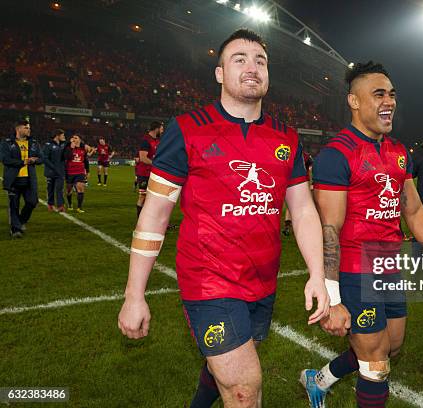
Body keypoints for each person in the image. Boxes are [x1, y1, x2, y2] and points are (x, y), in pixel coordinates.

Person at [117, 29, 329, 408]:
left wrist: (317, 273)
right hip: (208, 281)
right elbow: (154, 214)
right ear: (219, 74)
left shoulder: (288, 138)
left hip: (262, 282)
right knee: (244, 390)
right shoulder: (186, 130)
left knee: (225, 369)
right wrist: (135, 295)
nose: (252, 67)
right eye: (240, 59)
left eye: (260, 61)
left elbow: (302, 209)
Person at [300, 61, 423, 408]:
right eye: (378, 94)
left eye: (391, 94)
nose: (388, 100)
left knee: (390, 346)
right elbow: (329, 229)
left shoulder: (399, 152)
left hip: (388, 267)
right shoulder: (337, 155)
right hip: (355, 271)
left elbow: (415, 212)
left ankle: (320, 380)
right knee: (376, 363)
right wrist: (332, 296)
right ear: (354, 101)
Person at [1, 118, 42, 238]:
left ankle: (20, 221)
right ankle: (15, 230)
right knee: (14, 205)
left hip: (29, 179)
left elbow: (42, 157)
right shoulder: (7, 142)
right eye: (26, 128)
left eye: (29, 128)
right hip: (13, 179)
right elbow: (5, 160)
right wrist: (23, 162)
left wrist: (36, 160)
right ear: (18, 129)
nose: (29, 130)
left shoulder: (34, 143)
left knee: (32, 202)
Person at [135, 121, 163, 220]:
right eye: (161, 128)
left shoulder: (157, 141)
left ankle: (154, 221)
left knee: (155, 198)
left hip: (154, 173)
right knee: (143, 196)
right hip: (144, 173)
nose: (162, 130)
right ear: (156, 129)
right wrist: (157, 164)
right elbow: (143, 158)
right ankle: (140, 221)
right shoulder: (146, 140)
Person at [42, 128, 67, 212]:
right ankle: (50, 204)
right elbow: (45, 158)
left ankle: (60, 205)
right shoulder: (48, 145)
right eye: (63, 135)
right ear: (57, 135)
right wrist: (53, 167)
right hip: (50, 171)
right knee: (50, 189)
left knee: (59, 188)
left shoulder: (64, 145)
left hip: (60, 171)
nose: (64, 137)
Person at [64, 133, 89, 213]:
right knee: (68, 190)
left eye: (76, 138)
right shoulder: (68, 148)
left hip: (80, 172)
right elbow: (67, 157)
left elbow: (86, 161)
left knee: (80, 189)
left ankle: (79, 207)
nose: (74, 139)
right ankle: (70, 204)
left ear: (79, 140)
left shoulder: (83, 149)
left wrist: (88, 171)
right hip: (69, 172)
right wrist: (71, 147)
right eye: (73, 138)